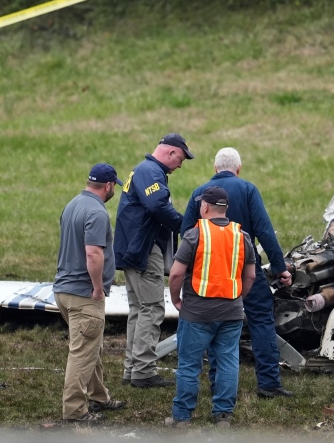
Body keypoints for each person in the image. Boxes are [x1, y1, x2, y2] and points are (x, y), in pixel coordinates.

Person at [181, 147, 294, 399]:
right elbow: (264, 230)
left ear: (215, 169)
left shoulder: (200, 193)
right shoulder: (247, 189)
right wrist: (280, 268)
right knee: (261, 321)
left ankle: (216, 384)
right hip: (244, 270)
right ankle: (268, 383)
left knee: (212, 325)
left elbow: (186, 233)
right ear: (238, 168)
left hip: (208, 273)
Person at [167, 186, 256, 428]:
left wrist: (176, 299)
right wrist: (238, 297)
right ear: (225, 209)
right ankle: (223, 415)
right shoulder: (242, 236)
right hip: (231, 312)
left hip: (197, 312)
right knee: (228, 361)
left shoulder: (195, 235)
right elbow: (250, 276)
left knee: (189, 364)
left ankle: (182, 417)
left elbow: (176, 274)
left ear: (205, 206)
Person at [114, 133, 194, 388]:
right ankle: (144, 371)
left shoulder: (142, 169)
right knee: (152, 308)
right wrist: (186, 226)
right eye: (180, 159)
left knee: (139, 309)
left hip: (132, 249)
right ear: (171, 152)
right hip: (144, 250)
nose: (180, 165)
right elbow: (157, 205)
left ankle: (133, 369)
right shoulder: (150, 171)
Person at [53, 163, 126, 422]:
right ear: (108, 186)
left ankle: (99, 396)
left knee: (89, 347)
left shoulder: (72, 205)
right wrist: (97, 288)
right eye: (113, 186)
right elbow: (93, 253)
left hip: (64, 291)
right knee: (82, 354)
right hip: (84, 295)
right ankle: (74, 411)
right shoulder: (97, 212)